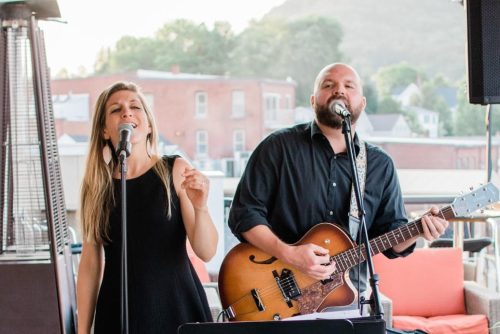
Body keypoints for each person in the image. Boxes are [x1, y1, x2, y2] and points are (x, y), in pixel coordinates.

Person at [228, 63, 449, 306]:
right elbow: (244, 214)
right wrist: (289, 254)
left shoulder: (379, 165)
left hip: (348, 302)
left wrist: (419, 229)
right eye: (328, 85)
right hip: (279, 303)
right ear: (313, 100)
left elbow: (390, 237)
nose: (339, 90)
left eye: (349, 85)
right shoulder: (278, 147)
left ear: (362, 104)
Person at [77, 81, 218, 333]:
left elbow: (206, 252)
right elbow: (90, 264)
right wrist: (82, 330)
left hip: (176, 306)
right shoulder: (97, 186)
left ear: (149, 125)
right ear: (105, 131)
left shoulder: (174, 170)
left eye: (135, 106)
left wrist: (201, 208)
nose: (127, 112)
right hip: (118, 311)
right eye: (115, 109)